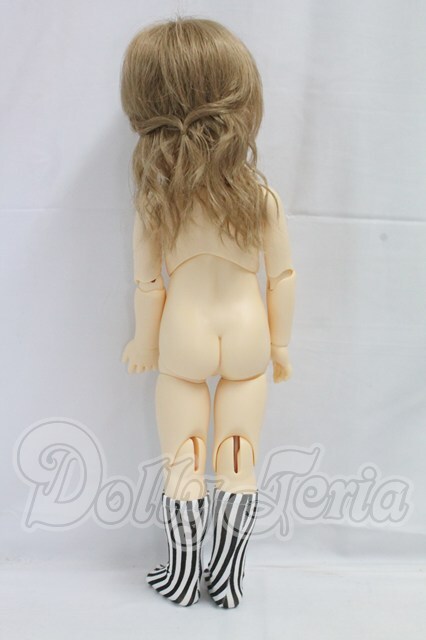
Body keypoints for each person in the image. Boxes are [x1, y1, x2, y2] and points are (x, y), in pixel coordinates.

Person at [120, 16, 296, 609]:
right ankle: (227, 577)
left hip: (184, 334)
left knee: (185, 456)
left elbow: (149, 283)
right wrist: (280, 345)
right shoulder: (260, 197)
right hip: (248, 333)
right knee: (239, 453)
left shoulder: (157, 201)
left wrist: (144, 342)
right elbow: (283, 276)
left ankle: (182, 575)